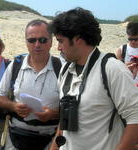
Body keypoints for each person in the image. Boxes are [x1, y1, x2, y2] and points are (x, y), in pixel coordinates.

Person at [49, 8, 138, 150]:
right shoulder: (65, 71)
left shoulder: (112, 69)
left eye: (60, 41)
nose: (58, 47)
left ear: (78, 39)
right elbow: (64, 123)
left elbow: (135, 119)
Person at [0, 19, 60, 150]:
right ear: (26, 42)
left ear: (51, 42)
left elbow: (73, 108)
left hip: (50, 139)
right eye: (31, 40)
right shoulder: (16, 65)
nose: (37, 45)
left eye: (42, 40)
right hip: (15, 138)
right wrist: (14, 106)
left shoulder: (61, 68)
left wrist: (53, 113)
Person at [116, 22, 138, 86]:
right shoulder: (122, 49)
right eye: (130, 39)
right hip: (127, 84)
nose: (133, 42)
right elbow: (116, 70)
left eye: (136, 39)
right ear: (127, 35)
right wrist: (124, 67)